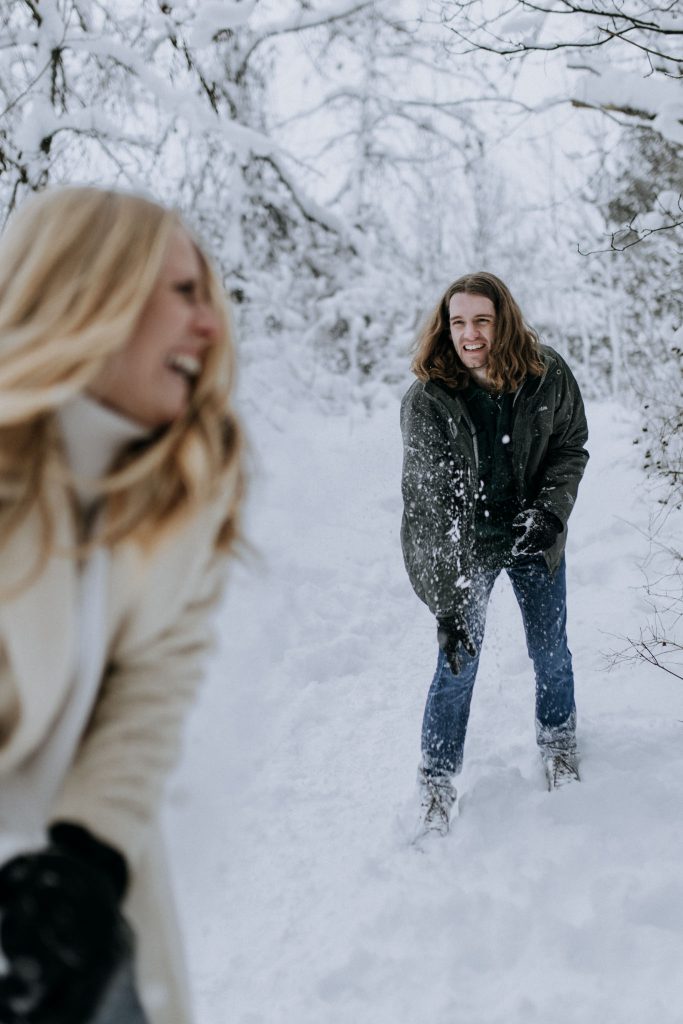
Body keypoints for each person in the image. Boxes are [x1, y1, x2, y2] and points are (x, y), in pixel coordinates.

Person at [0, 185, 244, 1022]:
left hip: (83, 915)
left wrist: (85, 857)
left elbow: (155, 683)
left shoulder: (185, 489)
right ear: (88, 291)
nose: (209, 326)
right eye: (182, 292)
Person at [400, 271, 588, 837]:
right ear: (445, 326)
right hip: (466, 545)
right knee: (457, 664)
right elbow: (429, 510)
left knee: (550, 649)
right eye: (458, 322)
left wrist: (551, 513)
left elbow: (569, 446)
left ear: (502, 320)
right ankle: (436, 781)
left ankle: (558, 743)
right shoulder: (429, 399)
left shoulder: (546, 374)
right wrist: (448, 602)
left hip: (535, 532)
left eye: (481, 319)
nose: (470, 334)